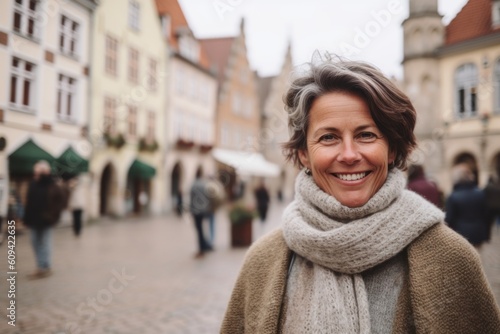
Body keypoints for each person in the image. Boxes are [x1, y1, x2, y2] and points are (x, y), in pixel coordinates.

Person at [221, 56, 500, 333]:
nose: (349, 155)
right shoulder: (263, 261)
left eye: (366, 135)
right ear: (304, 154)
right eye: (328, 137)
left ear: (392, 149)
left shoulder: (450, 258)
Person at [23, 160, 66, 279]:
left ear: (45, 172)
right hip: (33, 219)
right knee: (35, 242)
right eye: (35, 173)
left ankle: (44, 267)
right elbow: (29, 202)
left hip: (46, 220)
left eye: (37, 173)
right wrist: (26, 218)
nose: (35, 175)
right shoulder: (33, 184)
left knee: (45, 243)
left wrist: (53, 214)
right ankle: (41, 265)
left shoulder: (53, 184)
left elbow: (62, 201)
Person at [445, 163, 495, 250]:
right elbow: (487, 215)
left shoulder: (453, 196)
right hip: (478, 233)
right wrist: (487, 233)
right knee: (478, 257)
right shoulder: (480, 193)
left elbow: (449, 219)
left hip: (461, 235)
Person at [189, 170, 212, 258]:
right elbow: (208, 196)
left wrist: (191, 211)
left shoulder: (194, 185)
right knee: (202, 229)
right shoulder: (204, 185)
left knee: (199, 230)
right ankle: (204, 246)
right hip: (204, 210)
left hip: (196, 211)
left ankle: (201, 249)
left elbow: (191, 198)